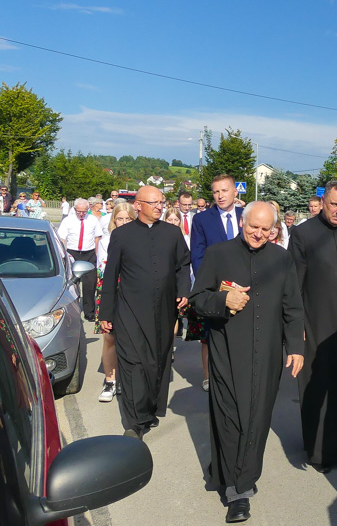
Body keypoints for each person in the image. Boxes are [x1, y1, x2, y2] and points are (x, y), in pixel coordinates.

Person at [190, 201, 304, 523]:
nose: (258, 233)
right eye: (253, 227)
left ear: (273, 230)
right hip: (227, 352)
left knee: (256, 419)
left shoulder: (282, 259)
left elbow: (293, 308)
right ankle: (236, 492)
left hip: (266, 354)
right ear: (242, 223)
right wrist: (223, 299)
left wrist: (295, 347)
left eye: (265, 229)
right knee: (230, 418)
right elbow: (197, 300)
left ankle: (245, 479)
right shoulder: (218, 255)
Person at [288, 180, 337, 473]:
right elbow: (293, 285)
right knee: (319, 385)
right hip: (316, 321)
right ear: (323, 202)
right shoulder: (303, 233)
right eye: (334, 205)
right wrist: (297, 327)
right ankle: (320, 449)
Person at [99, 186, 191, 440]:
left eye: (162, 202)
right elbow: (110, 276)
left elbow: (183, 264)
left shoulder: (173, 233)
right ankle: (134, 423)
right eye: (154, 203)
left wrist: (184, 290)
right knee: (132, 365)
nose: (160, 206)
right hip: (129, 310)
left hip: (163, 311)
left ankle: (149, 409)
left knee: (156, 363)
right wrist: (105, 312)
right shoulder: (122, 235)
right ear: (138, 205)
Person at [190, 175, 243, 392]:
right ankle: (211, 376)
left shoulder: (244, 215)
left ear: (235, 192)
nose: (220, 196)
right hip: (216, 290)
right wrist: (214, 286)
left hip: (244, 287)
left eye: (224, 191)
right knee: (212, 337)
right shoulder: (202, 220)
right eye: (216, 192)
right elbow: (198, 256)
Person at [95, 202, 136, 402]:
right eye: (120, 218)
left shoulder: (140, 240)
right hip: (111, 291)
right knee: (110, 337)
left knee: (129, 339)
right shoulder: (106, 241)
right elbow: (105, 270)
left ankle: (125, 381)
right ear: (114, 221)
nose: (124, 222)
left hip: (132, 294)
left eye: (128, 218)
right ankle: (110, 381)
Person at [56, 198, 102, 321]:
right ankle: (73, 311)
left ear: (88, 209)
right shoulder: (68, 221)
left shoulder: (93, 220)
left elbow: (97, 237)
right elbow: (62, 238)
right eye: (79, 211)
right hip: (73, 253)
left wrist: (97, 254)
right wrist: (63, 255)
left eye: (84, 211)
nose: (81, 214)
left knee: (90, 284)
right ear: (74, 209)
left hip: (89, 253)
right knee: (72, 285)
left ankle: (89, 312)